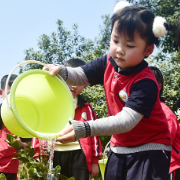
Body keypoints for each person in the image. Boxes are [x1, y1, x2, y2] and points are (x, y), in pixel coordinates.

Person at [43, 1, 172, 180]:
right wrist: (62, 71)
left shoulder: (146, 82)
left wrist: (84, 128)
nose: (119, 49)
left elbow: (125, 121)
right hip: (119, 147)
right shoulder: (108, 62)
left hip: (149, 150)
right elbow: (80, 75)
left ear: (148, 50)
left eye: (130, 45)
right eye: (115, 40)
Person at [32, 59, 102, 180]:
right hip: (54, 153)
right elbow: (38, 127)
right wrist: (38, 154)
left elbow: (94, 134)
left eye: (78, 82)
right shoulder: (48, 103)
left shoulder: (86, 107)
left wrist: (95, 161)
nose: (74, 85)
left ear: (85, 84)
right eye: (70, 80)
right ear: (63, 78)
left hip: (79, 154)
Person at [150, 66, 180, 180]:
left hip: (170, 167)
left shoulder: (164, 112)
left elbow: (164, 142)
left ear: (158, 87)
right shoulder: (143, 112)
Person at [0, 74, 31, 180]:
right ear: (1, 93)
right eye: (9, 94)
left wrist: (20, 145)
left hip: (10, 170)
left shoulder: (22, 118)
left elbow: (28, 146)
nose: (12, 98)